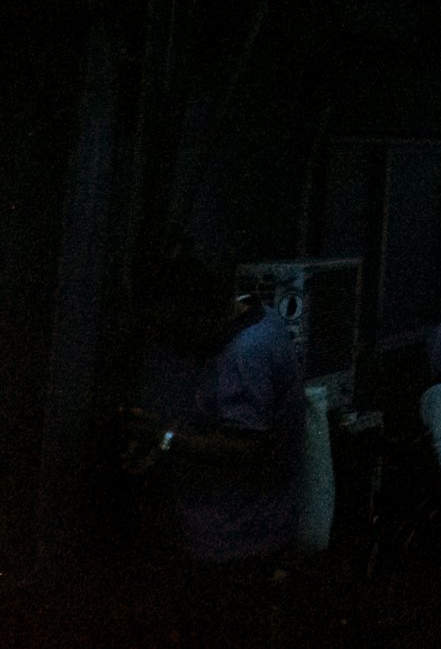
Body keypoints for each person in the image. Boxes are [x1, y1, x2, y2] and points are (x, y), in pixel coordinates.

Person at [123, 249, 307, 648]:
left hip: (237, 543)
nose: (168, 343)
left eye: (170, 329)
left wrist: (166, 438)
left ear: (193, 311)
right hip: (241, 533)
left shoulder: (246, 353)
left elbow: (246, 447)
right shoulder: (261, 321)